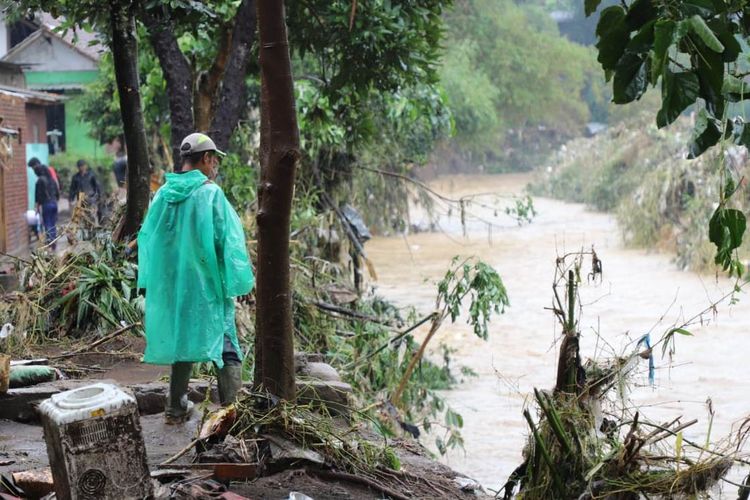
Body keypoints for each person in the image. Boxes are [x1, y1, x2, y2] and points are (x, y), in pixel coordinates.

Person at [137, 132, 254, 424]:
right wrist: (237, 282)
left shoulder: (163, 194)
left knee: (183, 338)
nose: (214, 165)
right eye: (213, 159)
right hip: (206, 283)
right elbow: (228, 242)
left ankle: (175, 408)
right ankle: (231, 413)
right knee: (225, 338)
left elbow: (150, 239)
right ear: (204, 159)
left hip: (174, 285)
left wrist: (157, 281)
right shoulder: (210, 193)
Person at [33, 164, 60, 250]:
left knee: (47, 223)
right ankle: (54, 240)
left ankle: (50, 241)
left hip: (46, 204)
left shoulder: (39, 181)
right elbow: (57, 191)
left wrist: (37, 207)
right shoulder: (51, 179)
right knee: (53, 223)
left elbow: (38, 196)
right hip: (54, 203)